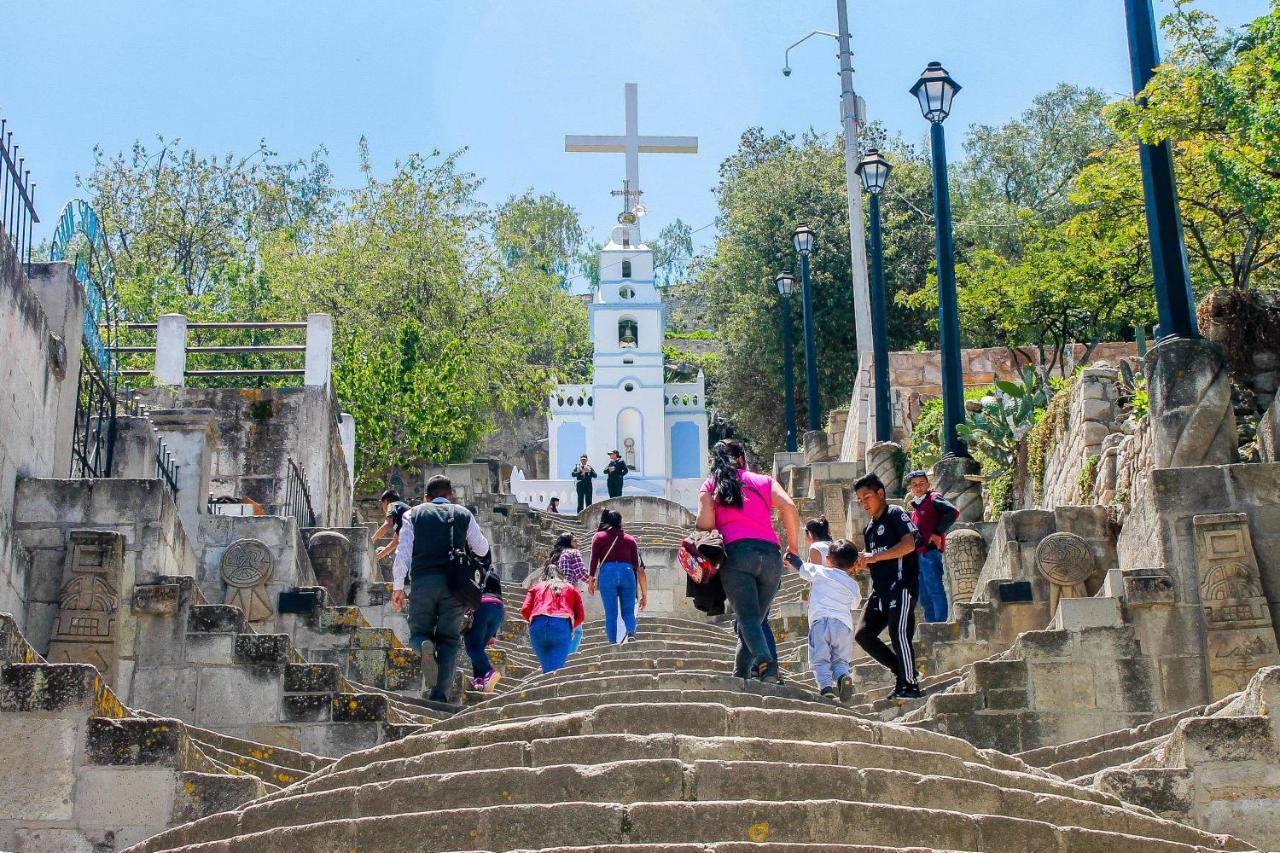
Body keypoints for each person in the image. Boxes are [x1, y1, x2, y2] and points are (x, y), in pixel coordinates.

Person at [696, 438, 800, 684]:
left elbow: (705, 524)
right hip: (771, 556)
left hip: (737, 555)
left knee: (748, 618)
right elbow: (789, 507)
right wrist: (793, 546)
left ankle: (768, 665)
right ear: (742, 458)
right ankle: (739, 675)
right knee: (753, 620)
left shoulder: (711, 485)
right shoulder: (764, 481)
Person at [391, 475, 490, 703]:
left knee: (417, 632)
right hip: (455, 586)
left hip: (423, 582)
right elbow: (483, 549)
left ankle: (424, 644)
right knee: (449, 640)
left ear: (426, 497)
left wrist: (398, 587)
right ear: (450, 495)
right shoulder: (462, 513)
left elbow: (403, 552)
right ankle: (440, 697)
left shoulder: (412, 514)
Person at [852, 473, 924, 700]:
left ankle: (910, 685)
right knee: (863, 634)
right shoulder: (869, 529)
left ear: (881, 493)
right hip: (880, 590)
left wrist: (875, 556)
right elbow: (878, 562)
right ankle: (903, 671)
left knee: (898, 632)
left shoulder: (895, 513)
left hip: (901, 586)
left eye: (867, 497)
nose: (864, 503)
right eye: (860, 500)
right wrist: (861, 564)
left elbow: (909, 544)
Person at [793, 538, 863, 702]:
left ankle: (826, 687)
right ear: (853, 566)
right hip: (844, 626)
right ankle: (842, 676)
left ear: (828, 559)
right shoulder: (853, 585)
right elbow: (855, 604)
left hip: (821, 622)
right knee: (840, 659)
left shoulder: (820, 571)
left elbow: (802, 567)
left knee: (820, 657)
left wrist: (791, 557)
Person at [906, 470, 960, 623]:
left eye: (921, 483)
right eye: (914, 485)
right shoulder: (916, 509)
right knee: (924, 595)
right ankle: (931, 626)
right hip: (919, 555)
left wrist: (937, 532)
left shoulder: (933, 498)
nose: (918, 487)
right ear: (911, 488)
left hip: (930, 553)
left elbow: (953, 512)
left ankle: (941, 625)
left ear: (928, 484)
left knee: (935, 589)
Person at [588, 509, 647, 644]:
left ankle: (612, 643)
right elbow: (637, 567)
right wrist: (643, 593)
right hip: (627, 573)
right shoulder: (630, 539)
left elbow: (594, 560)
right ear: (620, 522)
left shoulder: (599, 537)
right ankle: (631, 633)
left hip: (607, 574)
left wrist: (591, 579)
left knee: (611, 614)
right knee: (628, 612)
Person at [519, 562, 585, 673]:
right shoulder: (571, 588)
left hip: (537, 626)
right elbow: (581, 615)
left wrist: (532, 622)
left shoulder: (536, 587)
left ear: (544, 576)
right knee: (555, 670)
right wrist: (572, 628)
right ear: (561, 575)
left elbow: (525, 609)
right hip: (561, 626)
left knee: (547, 668)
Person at [463, 555, 503, 693]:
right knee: (479, 647)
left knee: (472, 646)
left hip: (481, 607)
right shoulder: (493, 574)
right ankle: (478, 680)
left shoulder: (470, 567)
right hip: (497, 609)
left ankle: (488, 671)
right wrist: (493, 634)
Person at [549, 532, 588, 654]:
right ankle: (568, 657)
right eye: (575, 541)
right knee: (577, 630)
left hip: (554, 595)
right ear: (569, 543)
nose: (578, 543)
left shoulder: (554, 557)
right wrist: (593, 582)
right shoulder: (573, 552)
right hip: (569, 594)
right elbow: (580, 572)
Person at [371, 488, 411, 563]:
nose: (383, 508)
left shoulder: (393, 505)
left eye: (382, 504)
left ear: (385, 502)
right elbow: (395, 542)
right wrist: (377, 557)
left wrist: (371, 539)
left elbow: (387, 524)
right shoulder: (400, 517)